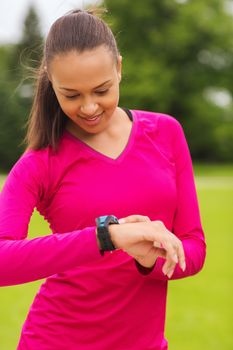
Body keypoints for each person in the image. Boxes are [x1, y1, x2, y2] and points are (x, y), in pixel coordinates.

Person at [0, 8, 206, 350]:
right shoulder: (40, 162)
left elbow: (193, 249)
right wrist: (106, 237)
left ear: (119, 69)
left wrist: (148, 259)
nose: (90, 107)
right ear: (52, 84)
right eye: (71, 95)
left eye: (101, 90)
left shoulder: (166, 133)